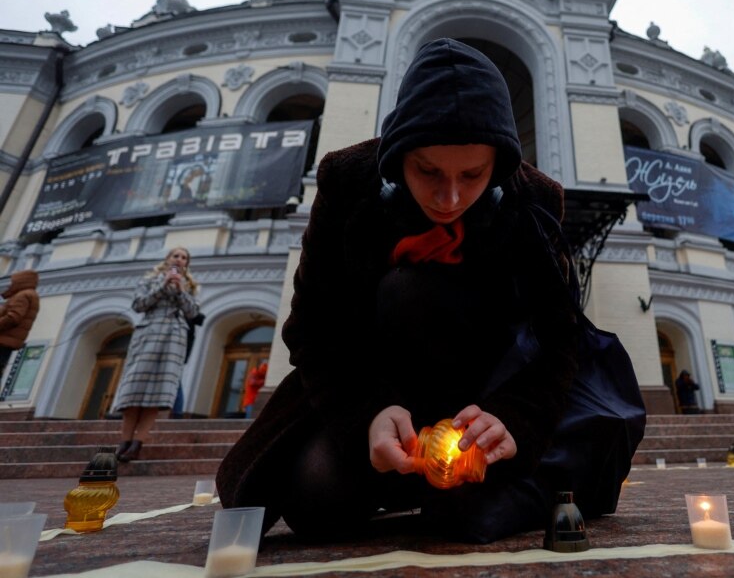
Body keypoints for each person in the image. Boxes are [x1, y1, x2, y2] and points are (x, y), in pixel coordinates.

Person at [217, 39, 592, 543]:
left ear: (499, 168)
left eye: (473, 175)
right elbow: (313, 326)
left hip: (481, 403)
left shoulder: (534, 202)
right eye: (428, 171)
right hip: (375, 388)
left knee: (461, 519)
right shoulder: (348, 183)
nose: (450, 196)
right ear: (397, 158)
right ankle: (404, 466)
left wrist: (512, 420)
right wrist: (368, 413)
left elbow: (558, 339)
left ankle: (512, 487)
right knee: (317, 505)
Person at [110, 247, 200, 462]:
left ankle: (137, 444)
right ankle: (124, 441)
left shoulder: (191, 285)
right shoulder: (150, 279)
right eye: (175, 256)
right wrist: (163, 285)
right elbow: (139, 305)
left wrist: (180, 290)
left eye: (184, 257)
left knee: (157, 395)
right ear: (167, 259)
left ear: (187, 263)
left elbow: (193, 312)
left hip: (174, 337)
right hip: (149, 332)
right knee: (134, 390)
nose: (179, 260)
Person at [0, 270, 40, 374]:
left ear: (21, 281)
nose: (10, 284)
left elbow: (13, 317)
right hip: (7, 343)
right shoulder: (30, 295)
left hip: (3, 340)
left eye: (13, 281)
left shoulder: (22, 295)